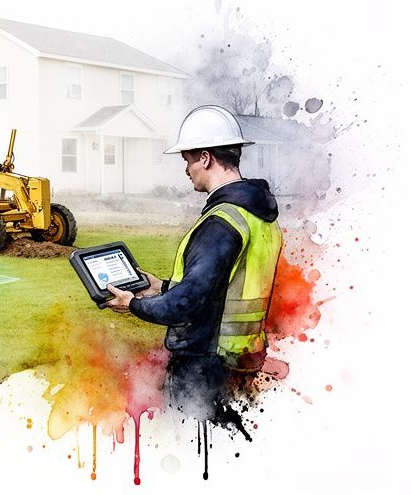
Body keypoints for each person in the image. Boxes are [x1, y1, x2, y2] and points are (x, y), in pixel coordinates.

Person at [103, 105, 283, 419]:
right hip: (241, 359)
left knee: (191, 447)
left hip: (204, 368)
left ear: (205, 157)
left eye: (187, 160)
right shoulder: (259, 216)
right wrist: (160, 286)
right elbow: (219, 290)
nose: (187, 170)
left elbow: (184, 305)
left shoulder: (221, 223)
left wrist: (132, 303)